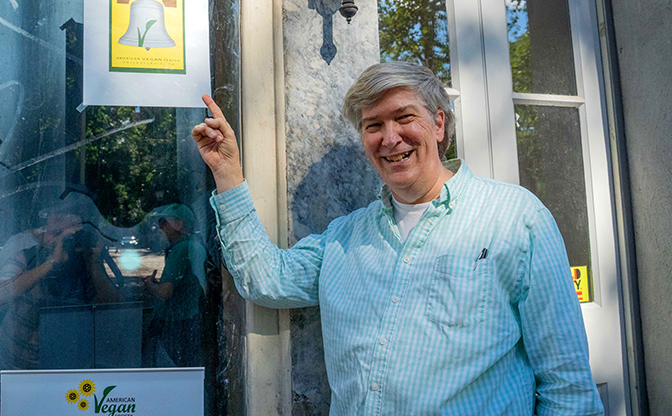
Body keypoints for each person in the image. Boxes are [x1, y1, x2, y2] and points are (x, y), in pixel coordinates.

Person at [192, 61, 604, 415]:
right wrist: (228, 172)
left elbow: (567, 383)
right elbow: (265, 278)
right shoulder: (345, 237)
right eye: (374, 125)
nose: (390, 138)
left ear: (439, 124)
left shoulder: (516, 219)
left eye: (404, 118)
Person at [0, 209, 121, 370]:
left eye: (72, 236)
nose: (64, 243)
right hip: (16, 367)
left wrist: (94, 261)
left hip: (68, 365)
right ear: (41, 236)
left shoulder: (85, 263)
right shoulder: (27, 258)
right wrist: (50, 263)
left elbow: (115, 309)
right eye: (57, 234)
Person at [142, 203, 206, 367]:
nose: (159, 227)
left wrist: (150, 286)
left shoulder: (180, 250)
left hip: (178, 322)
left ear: (178, 225)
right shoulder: (195, 246)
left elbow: (165, 292)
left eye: (163, 222)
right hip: (193, 317)